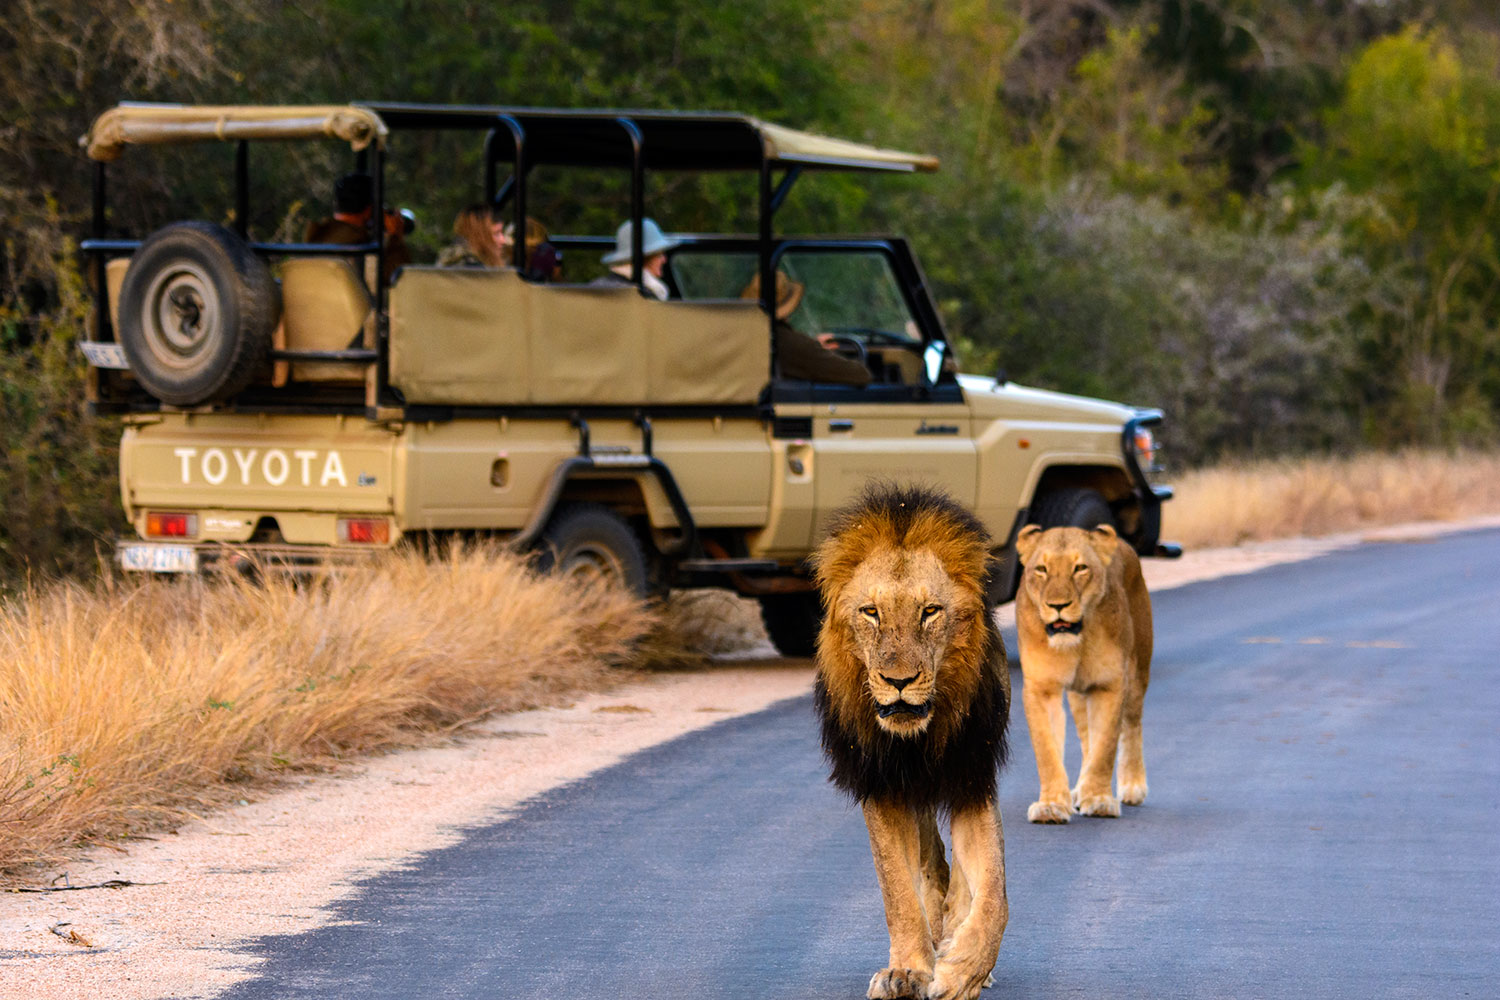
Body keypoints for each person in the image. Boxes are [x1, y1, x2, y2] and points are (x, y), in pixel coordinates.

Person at [742, 271, 870, 387]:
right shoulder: (792, 344)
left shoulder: (743, 338)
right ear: (789, 308)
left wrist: (813, 345)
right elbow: (860, 375)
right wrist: (819, 349)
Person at [305, 173, 411, 282]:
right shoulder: (358, 244)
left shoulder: (316, 239)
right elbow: (400, 281)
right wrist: (395, 236)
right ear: (370, 209)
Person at [594, 217, 680, 299]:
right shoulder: (644, 296)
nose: (664, 260)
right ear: (644, 258)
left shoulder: (597, 286)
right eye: (659, 255)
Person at [436, 203, 506, 268]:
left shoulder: (451, 263)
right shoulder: (470, 268)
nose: (503, 240)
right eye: (496, 234)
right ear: (478, 235)